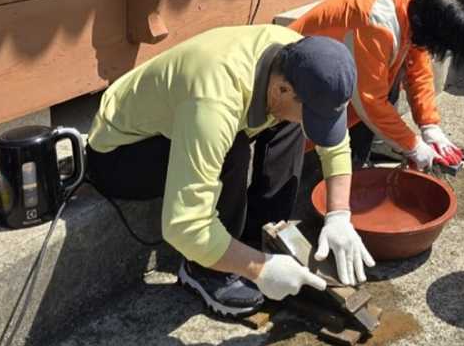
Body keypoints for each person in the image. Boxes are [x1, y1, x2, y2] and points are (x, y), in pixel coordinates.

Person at [86, 29, 373, 316]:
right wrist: (260, 269)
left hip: (185, 119)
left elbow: (333, 143)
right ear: (281, 89)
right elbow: (184, 226)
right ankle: (204, 269)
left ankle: (262, 239)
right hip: (120, 153)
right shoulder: (216, 101)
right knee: (234, 149)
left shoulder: (298, 58)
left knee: (292, 122)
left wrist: (338, 216)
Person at [288, 0, 464, 171]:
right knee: (291, 149)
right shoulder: (376, 21)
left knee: (387, 87)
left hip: (335, 75)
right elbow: (370, 102)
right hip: (297, 75)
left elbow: (418, 70)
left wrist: (430, 125)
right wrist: (412, 146)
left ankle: (355, 165)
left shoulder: (421, 6)